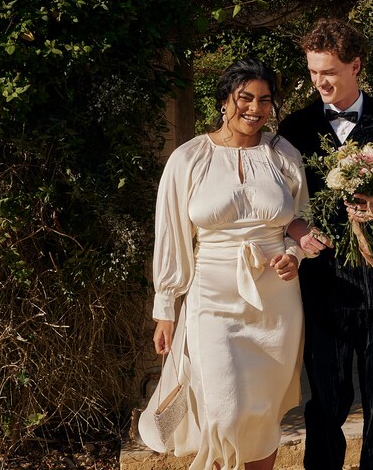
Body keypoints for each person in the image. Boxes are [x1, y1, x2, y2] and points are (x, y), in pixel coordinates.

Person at [137, 58, 308, 470]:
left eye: (265, 100)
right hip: (211, 297)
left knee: (261, 412)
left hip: (276, 302)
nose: (255, 108)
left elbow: (303, 220)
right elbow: (172, 236)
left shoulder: (283, 154)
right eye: (244, 98)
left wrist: (295, 254)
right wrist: (166, 309)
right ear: (223, 101)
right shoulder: (189, 158)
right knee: (224, 411)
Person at [279, 19, 373, 470]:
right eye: (312, 72)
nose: (319, 82)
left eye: (328, 72)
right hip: (324, 285)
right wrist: (297, 232)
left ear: (355, 66)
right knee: (327, 396)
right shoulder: (297, 127)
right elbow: (279, 204)